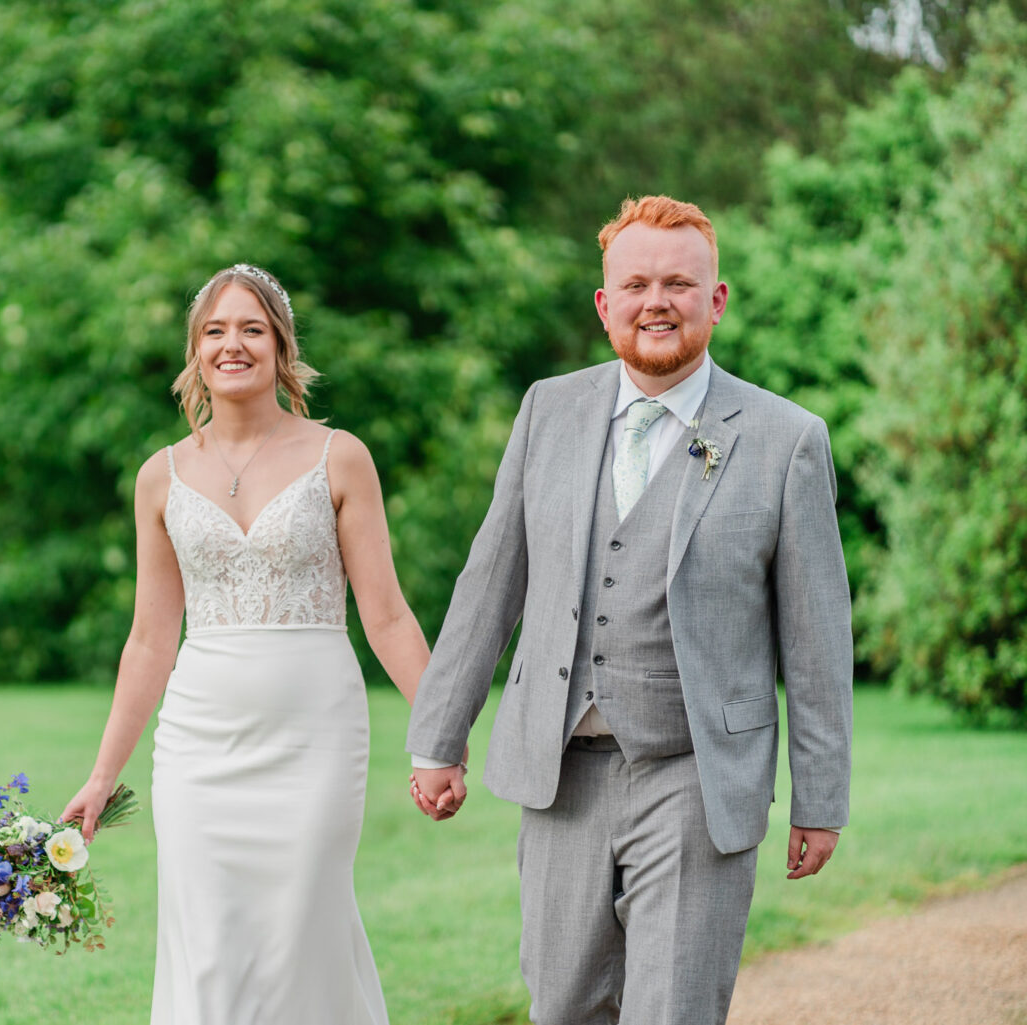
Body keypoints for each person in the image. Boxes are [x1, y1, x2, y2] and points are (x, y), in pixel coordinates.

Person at [406, 196, 853, 1025]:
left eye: (680, 284)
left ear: (715, 301)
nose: (658, 301)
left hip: (696, 774)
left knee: (673, 1010)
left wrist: (819, 797)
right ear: (606, 304)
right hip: (562, 772)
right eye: (637, 283)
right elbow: (490, 583)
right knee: (563, 1005)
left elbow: (817, 636)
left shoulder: (787, 438)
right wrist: (438, 735)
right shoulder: (549, 409)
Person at [62, 264, 431, 1024]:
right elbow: (149, 639)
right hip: (199, 750)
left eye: (252, 329)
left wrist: (439, 734)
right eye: (215, 331)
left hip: (316, 739)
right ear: (195, 352)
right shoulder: (159, 478)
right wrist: (103, 776)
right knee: (210, 944)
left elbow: (387, 615)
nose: (234, 344)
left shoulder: (340, 456)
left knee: (306, 934)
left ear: (281, 349)